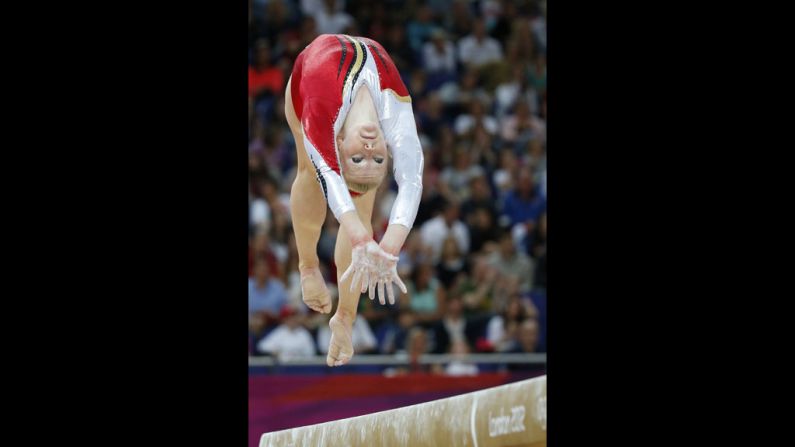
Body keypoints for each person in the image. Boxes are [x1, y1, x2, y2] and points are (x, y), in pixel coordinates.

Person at [284, 34, 424, 366]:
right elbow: (412, 180)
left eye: (359, 159)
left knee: (356, 202)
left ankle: (345, 317)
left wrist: (381, 246)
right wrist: (381, 244)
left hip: (315, 82)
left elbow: (409, 183)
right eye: (378, 160)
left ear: (341, 143)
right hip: (306, 79)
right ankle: (308, 267)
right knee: (310, 171)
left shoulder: (325, 111)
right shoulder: (395, 118)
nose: (371, 151)